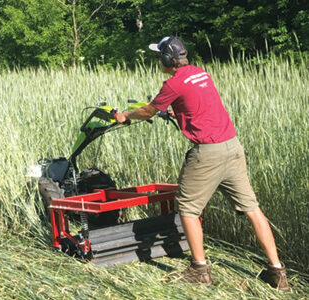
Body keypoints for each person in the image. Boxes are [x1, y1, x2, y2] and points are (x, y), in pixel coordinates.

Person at [115, 36, 289, 290]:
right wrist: (179, 111)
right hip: (232, 147)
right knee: (252, 208)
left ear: (166, 59)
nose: (157, 61)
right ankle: (277, 271)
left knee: (187, 209)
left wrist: (126, 115)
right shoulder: (200, 73)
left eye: (159, 56)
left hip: (208, 154)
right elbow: (198, 103)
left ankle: (199, 270)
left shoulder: (172, 84)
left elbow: (148, 111)